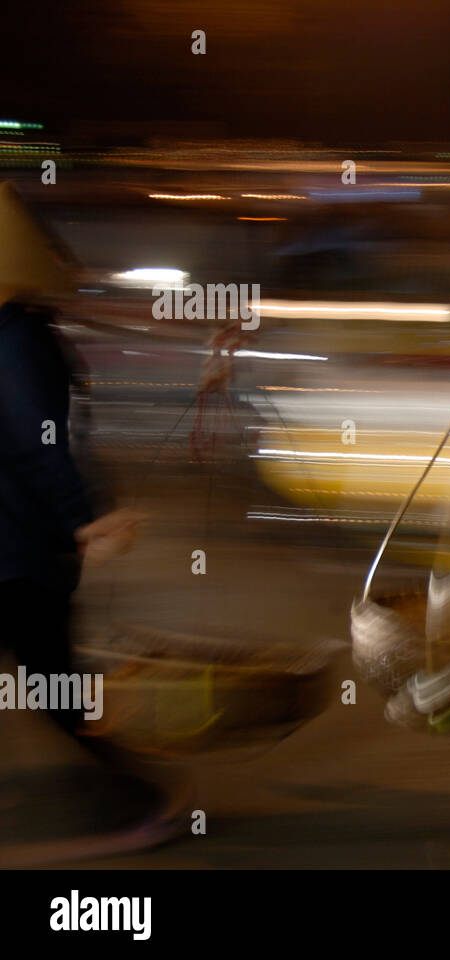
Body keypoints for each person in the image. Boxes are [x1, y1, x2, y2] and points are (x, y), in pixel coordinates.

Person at [0, 183, 181, 865]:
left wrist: (86, 519)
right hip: (17, 548)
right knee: (51, 682)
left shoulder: (17, 339)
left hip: (20, 554)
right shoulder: (17, 336)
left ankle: (143, 802)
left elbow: (39, 439)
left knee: (55, 688)